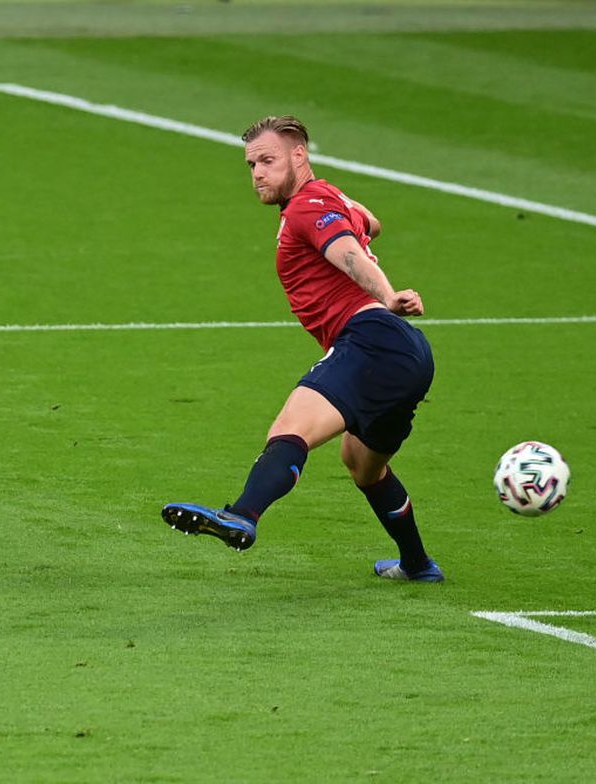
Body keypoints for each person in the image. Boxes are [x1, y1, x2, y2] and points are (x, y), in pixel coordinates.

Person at [162, 115, 442, 582]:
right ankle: (417, 564)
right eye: (251, 165)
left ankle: (244, 515)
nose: (257, 173)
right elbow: (371, 223)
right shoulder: (324, 198)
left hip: (372, 339)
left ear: (299, 156)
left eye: (267, 161)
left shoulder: (306, 209)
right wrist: (347, 215)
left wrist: (388, 295)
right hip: (409, 354)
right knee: (362, 465)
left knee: (291, 428)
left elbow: (348, 251)